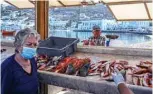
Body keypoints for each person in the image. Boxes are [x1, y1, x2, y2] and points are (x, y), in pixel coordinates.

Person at [1, 28, 40, 94]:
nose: (33, 47)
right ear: (18, 46)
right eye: (29, 44)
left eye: (35, 45)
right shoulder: (7, 67)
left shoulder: (32, 61)